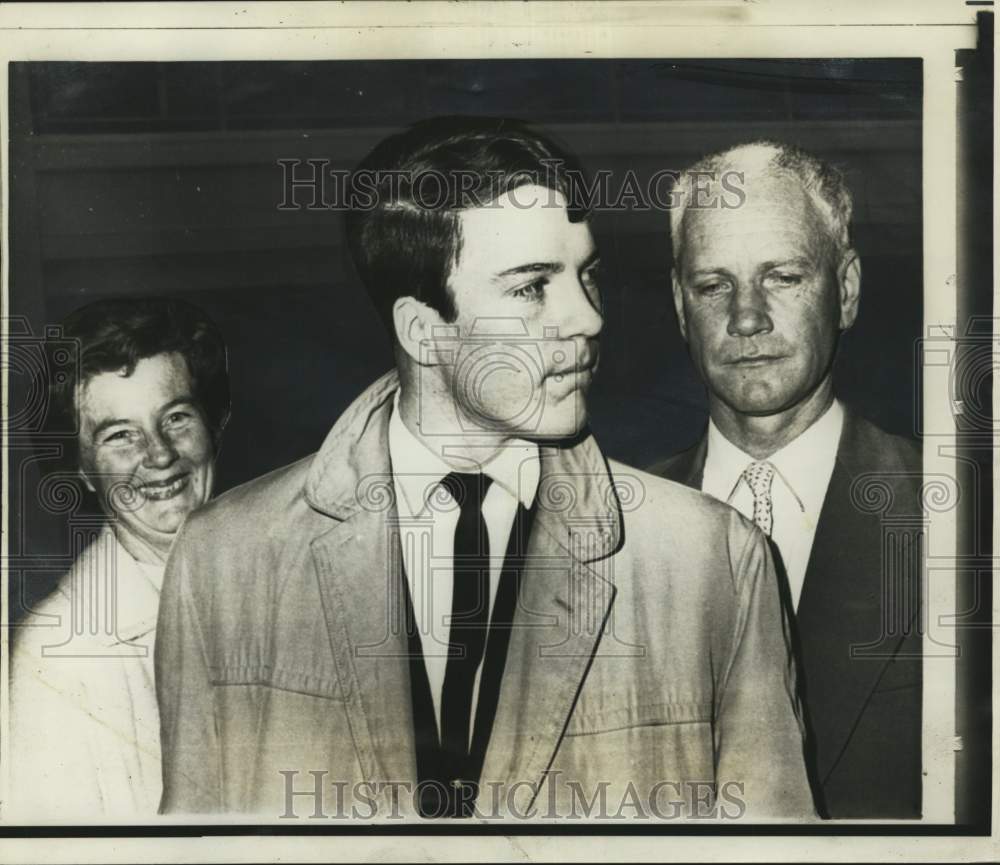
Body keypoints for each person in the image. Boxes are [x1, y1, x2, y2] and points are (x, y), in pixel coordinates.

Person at [155, 116, 814, 821]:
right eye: (532, 288)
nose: (586, 318)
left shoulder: (711, 557)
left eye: (587, 275)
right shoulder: (223, 560)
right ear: (424, 329)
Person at [650, 141, 922, 819]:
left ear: (847, 289)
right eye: (714, 285)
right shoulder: (605, 530)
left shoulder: (967, 517)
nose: (747, 317)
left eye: (783, 277)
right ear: (681, 308)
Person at [8, 297, 230, 819]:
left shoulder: (286, 580)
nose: (158, 455)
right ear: (82, 470)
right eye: (120, 436)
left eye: (176, 417)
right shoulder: (56, 652)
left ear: (213, 425)